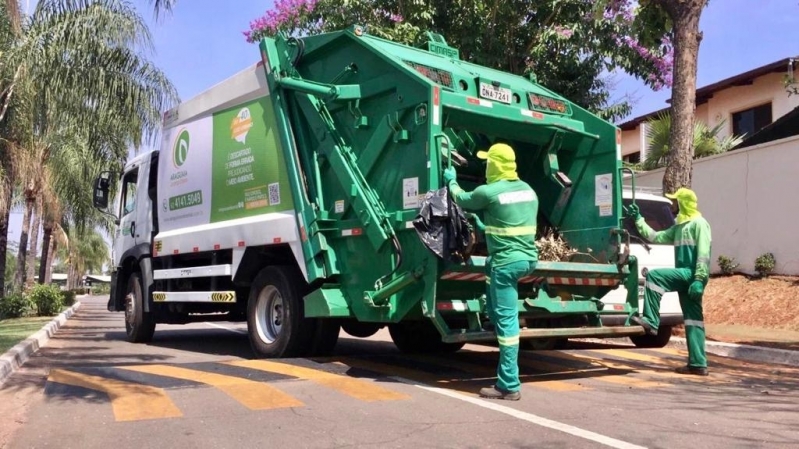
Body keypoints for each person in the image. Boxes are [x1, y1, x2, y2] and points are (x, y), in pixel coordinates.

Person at [443, 143, 539, 400]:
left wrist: (451, 180)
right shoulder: (529, 191)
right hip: (527, 260)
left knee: (508, 325)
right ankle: (492, 313)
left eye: (488, 162)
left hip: (506, 264)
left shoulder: (489, 191)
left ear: (495, 164)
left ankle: (508, 384)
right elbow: (511, 224)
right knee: (490, 269)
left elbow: (461, 198)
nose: (485, 166)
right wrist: (483, 225)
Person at [626, 187, 712, 376]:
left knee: (655, 276)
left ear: (683, 203)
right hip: (688, 277)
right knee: (693, 321)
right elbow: (655, 237)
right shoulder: (680, 227)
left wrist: (699, 279)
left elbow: (704, 255)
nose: (673, 205)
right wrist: (639, 219)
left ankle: (651, 320)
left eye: (675, 202)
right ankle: (698, 364)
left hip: (691, 275)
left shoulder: (700, 224)